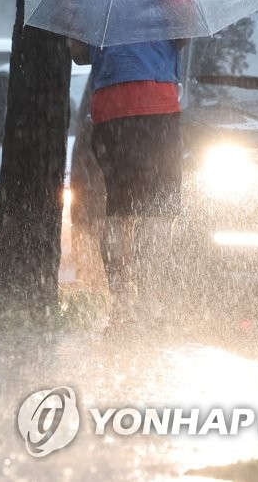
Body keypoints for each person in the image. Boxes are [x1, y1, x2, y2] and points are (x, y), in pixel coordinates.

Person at [70, 37, 187, 327]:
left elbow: (78, 54)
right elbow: (183, 35)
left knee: (118, 206)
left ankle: (121, 301)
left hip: (110, 108)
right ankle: (147, 300)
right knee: (158, 210)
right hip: (157, 104)